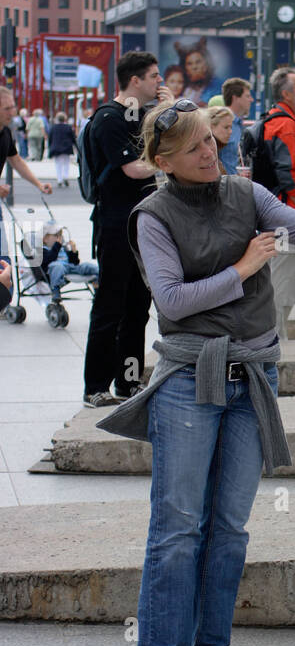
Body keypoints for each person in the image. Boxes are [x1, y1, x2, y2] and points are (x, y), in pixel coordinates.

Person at [95, 99, 295, 646]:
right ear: (163, 161)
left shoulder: (246, 193)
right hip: (188, 379)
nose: (212, 153)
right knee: (178, 524)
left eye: (212, 140)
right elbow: (174, 302)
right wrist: (245, 264)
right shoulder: (153, 214)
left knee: (229, 527)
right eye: (196, 148)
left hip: (253, 373)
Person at [81, 50, 172, 407]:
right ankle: (95, 386)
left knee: (138, 306)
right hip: (116, 225)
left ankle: (129, 380)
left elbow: (164, 144)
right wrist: (167, 162)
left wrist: (167, 110)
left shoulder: (146, 114)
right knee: (110, 307)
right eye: (154, 76)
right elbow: (134, 169)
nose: (159, 82)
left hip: (144, 224)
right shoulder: (109, 119)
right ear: (134, 80)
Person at [260, 65, 295, 339]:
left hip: (272, 215)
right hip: (289, 216)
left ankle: (273, 337)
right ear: (286, 93)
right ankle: (275, 342)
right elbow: (291, 177)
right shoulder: (287, 126)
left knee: (275, 276)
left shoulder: (271, 119)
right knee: (283, 284)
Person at [0, 88, 53, 263]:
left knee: (3, 261)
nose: (12, 112)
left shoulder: (6, 132)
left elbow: (16, 161)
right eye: (6, 108)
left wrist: (38, 184)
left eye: (13, 107)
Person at [40, 224, 99, 299]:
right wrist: (57, 245)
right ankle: (55, 290)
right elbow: (49, 259)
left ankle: (99, 288)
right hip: (56, 270)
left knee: (88, 266)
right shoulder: (43, 250)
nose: (60, 238)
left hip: (70, 268)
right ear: (45, 239)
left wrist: (73, 251)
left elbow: (75, 263)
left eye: (61, 235)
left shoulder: (62, 248)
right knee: (57, 266)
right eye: (56, 236)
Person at [221, 77, 252, 176]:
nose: (251, 100)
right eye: (247, 96)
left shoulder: (238, 125)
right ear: (235, 98)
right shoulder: (221, 124)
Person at [47, 111, 77, 187]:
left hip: (56, 148)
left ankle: (59, 179)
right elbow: (73, 138)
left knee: (58, 164)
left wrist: (50, 147)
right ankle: (66, 177)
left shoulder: (53, 128)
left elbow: (50, 138)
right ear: (65, 119)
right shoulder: (68, 127)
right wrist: (76, 147)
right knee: (66, 163)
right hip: (66, 148)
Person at [206, 105, 233, 173]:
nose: (230, 132)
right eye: (226, 127)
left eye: (231, 127)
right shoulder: (206, 155)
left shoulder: (217, 152)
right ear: (211, 127)